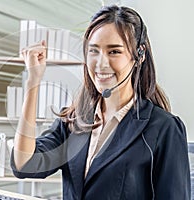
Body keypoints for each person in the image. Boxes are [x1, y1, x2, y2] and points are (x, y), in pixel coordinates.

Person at [11, 5, 190, 200]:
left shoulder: (164, 128)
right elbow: (24, 164)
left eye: (114, 52)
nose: (101, 63)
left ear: (139, 55)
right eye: (94, 51)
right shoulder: (74, 121)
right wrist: (33, 81)